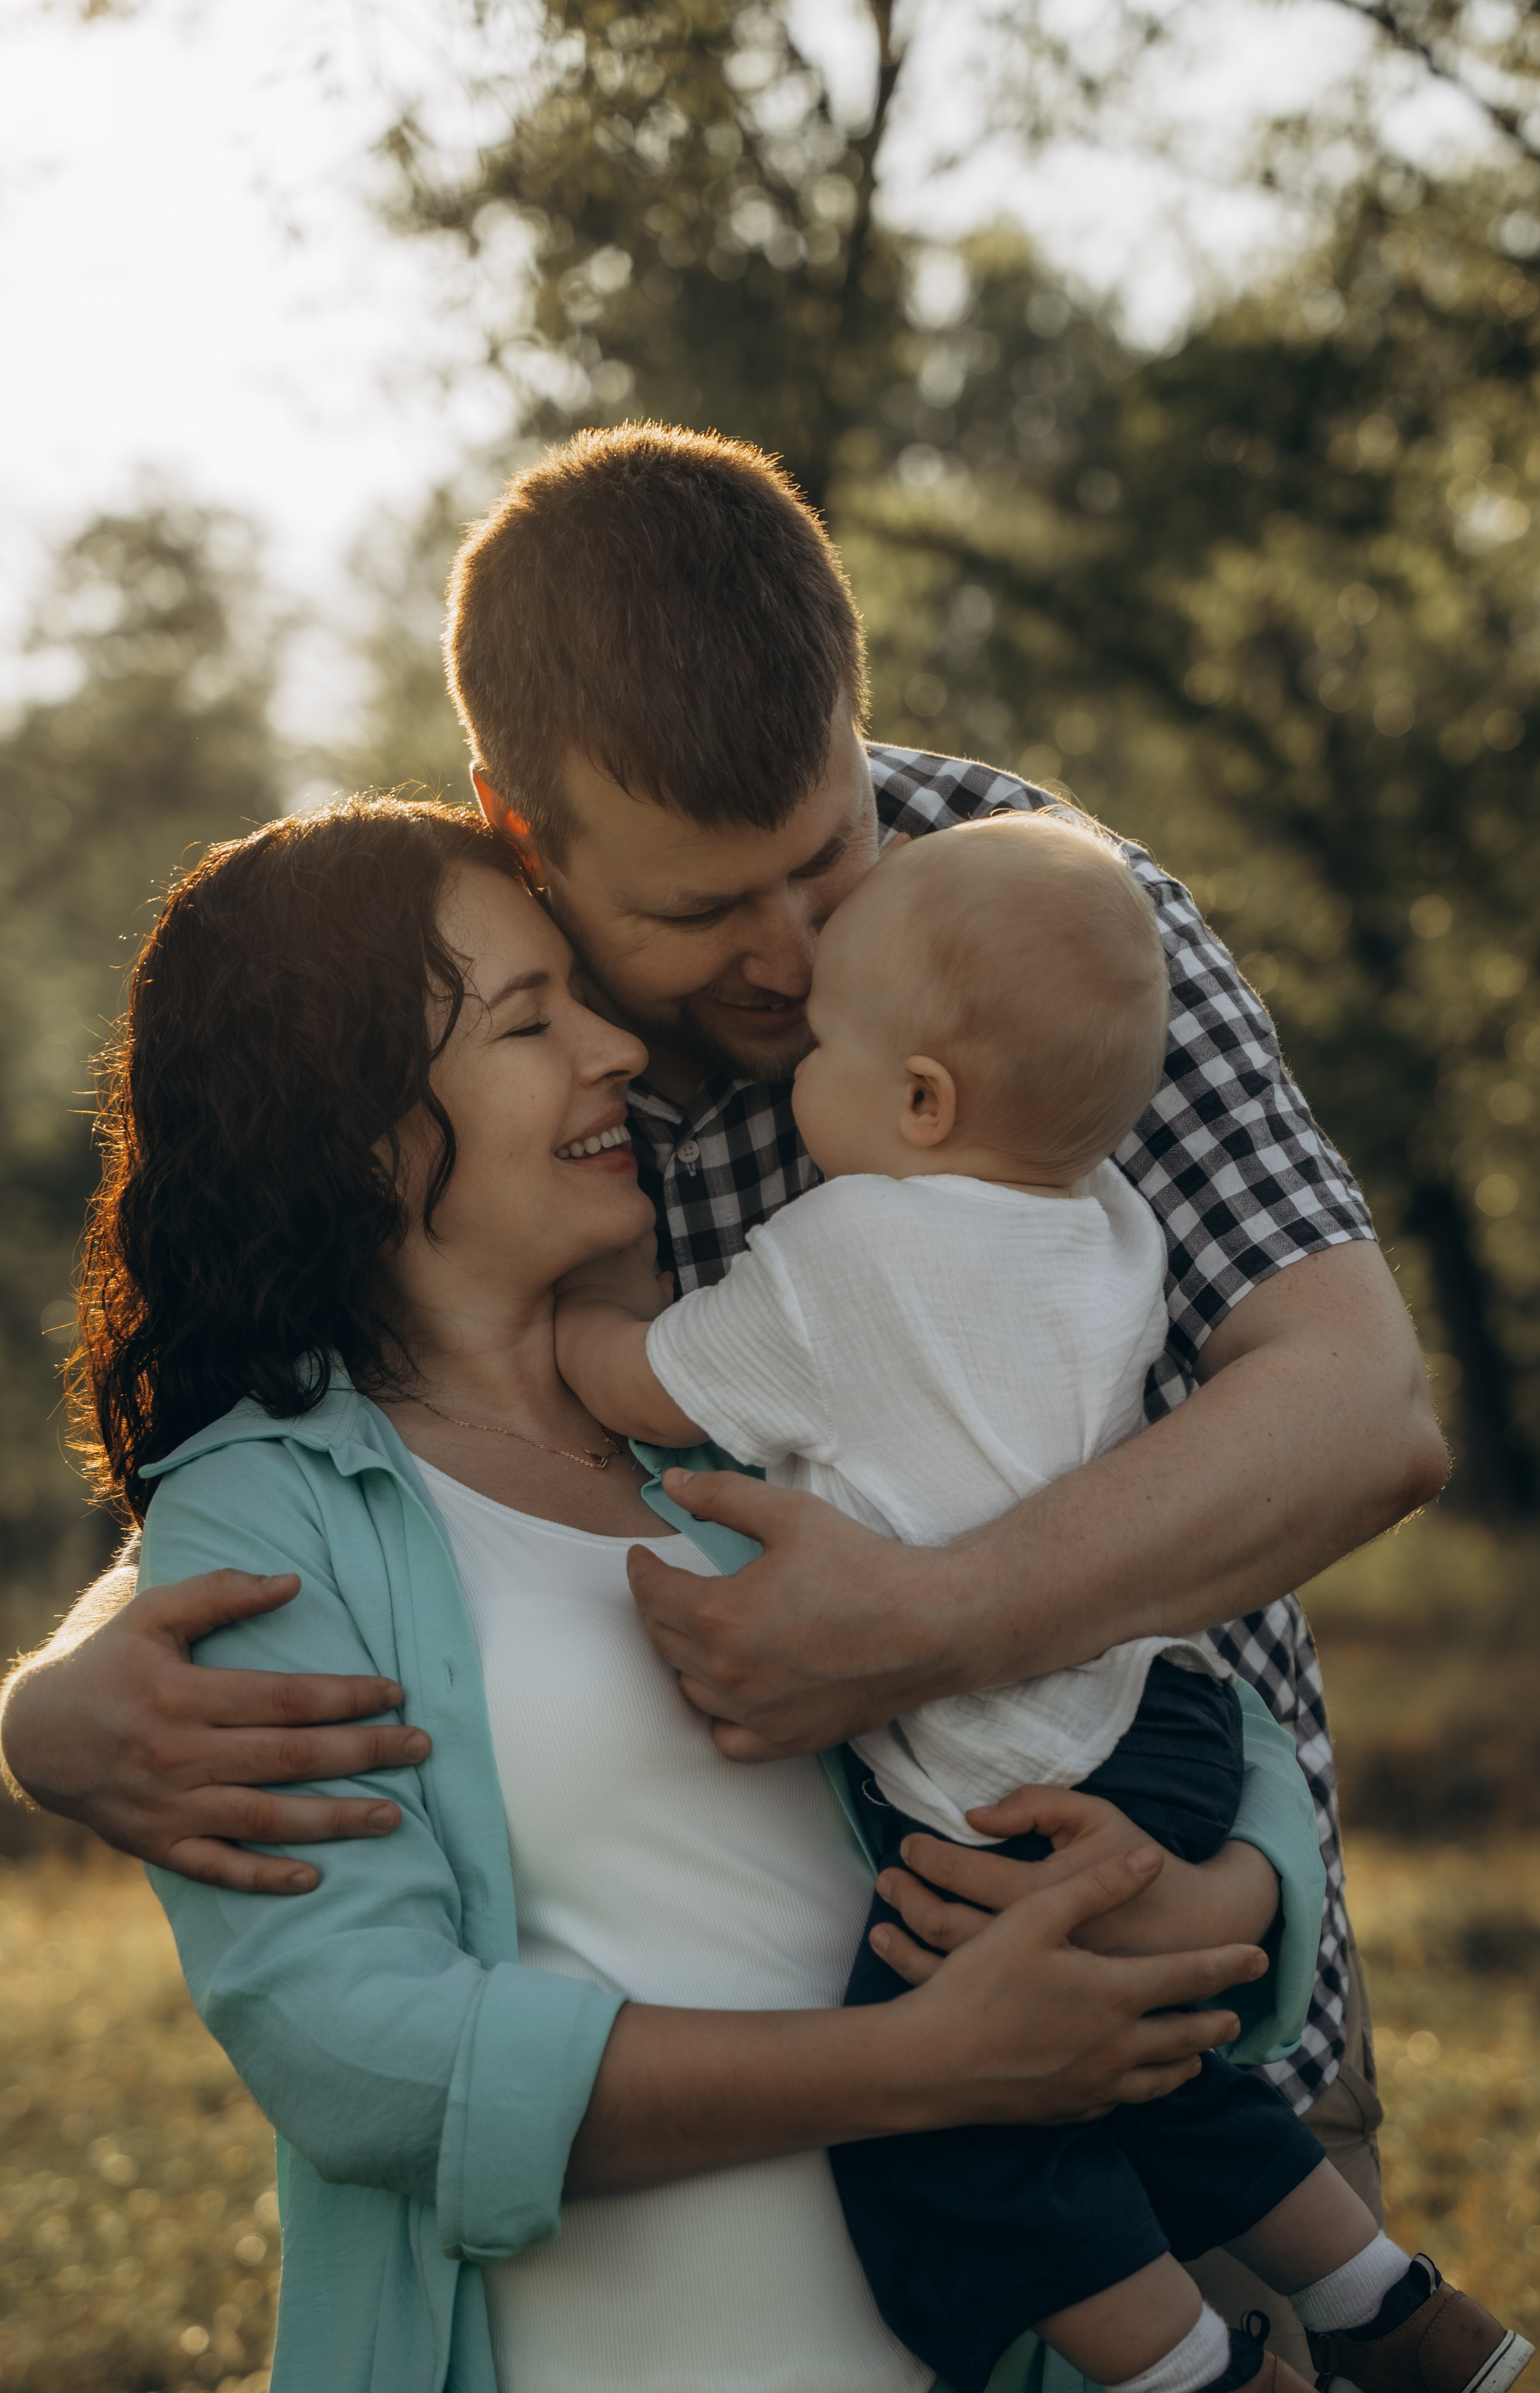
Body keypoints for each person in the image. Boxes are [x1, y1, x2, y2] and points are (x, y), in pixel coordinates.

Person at [0, 423, 1445, 2357]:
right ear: (530, 833)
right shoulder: (487, 1033)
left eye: (825, 851)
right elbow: (375, 1473)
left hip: (1192, 2010)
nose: (797, 950)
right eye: (700, 914)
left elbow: (1364, 1410)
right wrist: (68, 1690)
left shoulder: (1024, 915)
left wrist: (970, 1660)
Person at [67, 792, 1308, 2393]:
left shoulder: (743, 1412)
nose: (618, 1055)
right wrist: (908, 2068)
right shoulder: (274, 1509)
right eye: (530, 1020)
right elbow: (362, 2055)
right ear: (353, 1121)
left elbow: (1137, 1673)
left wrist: (1235, 1898)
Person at [552, 811, 1528, 2393]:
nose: (794, 988)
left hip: (1012, 1780)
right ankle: (1389, 2306)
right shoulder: (1110, 1235)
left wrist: (592, 1293)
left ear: (919, 1097)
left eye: (824, 1045)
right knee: (1154, 2068)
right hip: (1170, 1735)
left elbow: (641, 1386)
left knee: (960, 2118)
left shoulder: (836, 1251)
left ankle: (1196, 2374)